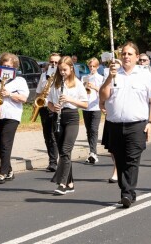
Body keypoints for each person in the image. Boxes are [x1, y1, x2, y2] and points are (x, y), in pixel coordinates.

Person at [100, 42, 151, 208]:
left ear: (136, 57)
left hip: (137, 125)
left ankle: (126, 193)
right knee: (119, 160)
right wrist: (109, 78)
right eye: (124, 54)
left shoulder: (144, 75)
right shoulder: (112, 73)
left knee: (132, 159)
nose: (126, 56)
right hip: (115, 125)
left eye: (129, 54)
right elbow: (103, 96)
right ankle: (128, 191)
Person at [0, 53, 29, 184]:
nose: (6, 67)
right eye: (4, 65)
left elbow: (24, 98)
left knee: (5, 142)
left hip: (12, 115)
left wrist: (9, 94)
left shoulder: (19, 81)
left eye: (9, 66)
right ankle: (9, 170)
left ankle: (2, 172)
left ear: (14, 67)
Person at [48, 56, 88, 195]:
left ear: (71, 68)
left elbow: (85, 104)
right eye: (60, 70)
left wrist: (70, 99)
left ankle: (62, 184)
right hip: (58, 116)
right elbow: (49, 102)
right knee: (63, 153)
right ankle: (70, 183)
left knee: (65, 150)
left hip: (72, 117)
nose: (62, 72)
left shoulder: (77, 83)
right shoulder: (56, 83)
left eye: (65, 69)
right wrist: (54, 108)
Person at [34, 53, 61, 172]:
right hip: (44, 107)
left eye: (56, 62)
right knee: (47, 135)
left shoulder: (61, 76)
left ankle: (54, 162)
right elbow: (39, 91)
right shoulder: (44, 75)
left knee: (53, 135)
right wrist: (36, 103)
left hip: (55, 108)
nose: (53, 64)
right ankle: (52, 160)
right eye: (52, 62)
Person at [82, 57, 104, 164]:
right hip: (86, 106)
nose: (92, 68)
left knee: (94, 129)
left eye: (94, 66)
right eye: (90, 66)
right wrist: (84, 87)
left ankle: (93, 152)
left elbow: (104, 92)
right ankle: (92, 151)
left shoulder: (101, 78)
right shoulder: (84, 77)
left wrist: (95, 87)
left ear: (97, 67)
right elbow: (81, 91)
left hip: (96, 106)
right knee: (88, 130)